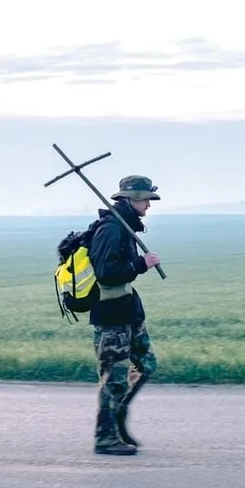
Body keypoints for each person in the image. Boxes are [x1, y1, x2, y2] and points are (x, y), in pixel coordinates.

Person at [87, 175, 163, 456]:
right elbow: (106, 273)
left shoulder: (124, 227)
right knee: (115, 377)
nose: (148, 206)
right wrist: (141, 264)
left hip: (127, 311)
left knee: (147, 364)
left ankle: (118, 419)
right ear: (131, 200)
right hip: (111, 317)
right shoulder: (111, 230)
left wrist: (137, 265)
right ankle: (105, 437)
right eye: (145, 200)